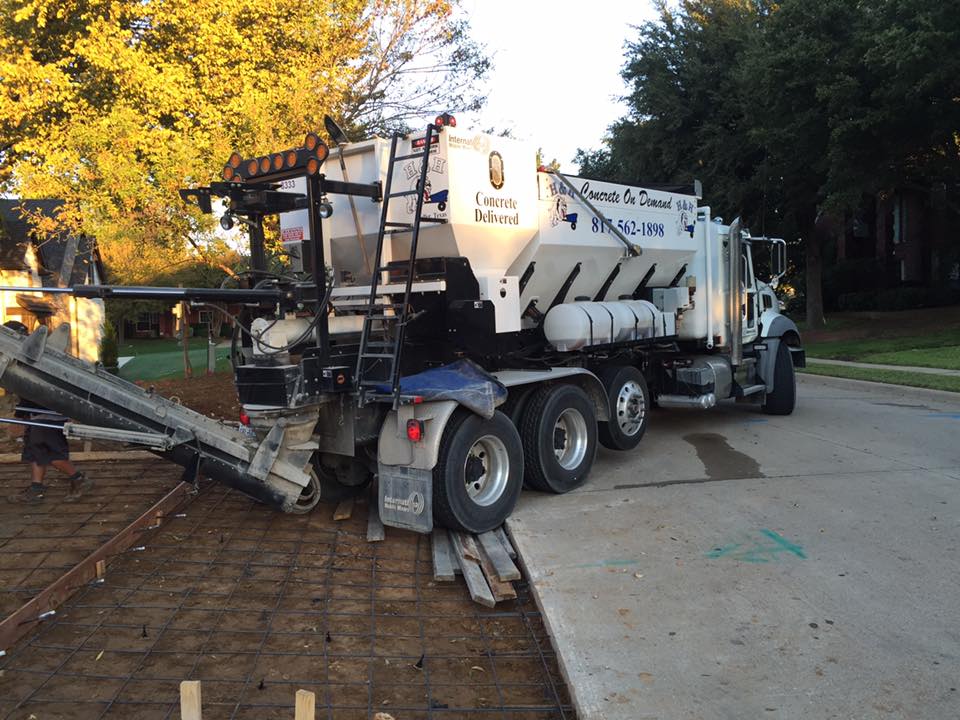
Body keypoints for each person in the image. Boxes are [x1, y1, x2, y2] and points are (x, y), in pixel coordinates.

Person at [4, 321, 93, 504]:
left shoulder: (31, 359)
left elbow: (32, 392)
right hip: (39, 414)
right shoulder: (28, 356)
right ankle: (36, 489)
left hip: (48, 414)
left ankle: (78, 478)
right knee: (36, 452)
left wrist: (19, 417)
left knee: (53, 454)